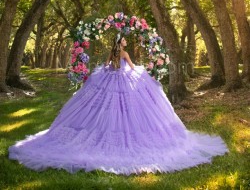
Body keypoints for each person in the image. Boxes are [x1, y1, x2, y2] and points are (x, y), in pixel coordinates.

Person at [9, 33, 228, 175]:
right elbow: (132, 68)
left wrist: (109, 69)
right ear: (121, 42)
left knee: (105, 108)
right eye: (124, 41)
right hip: (123, 79)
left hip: (109, 77)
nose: (125, 43)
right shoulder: (124, 53)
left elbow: (105, 65)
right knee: (126, 109)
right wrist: (141, 72)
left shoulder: (112, 53)